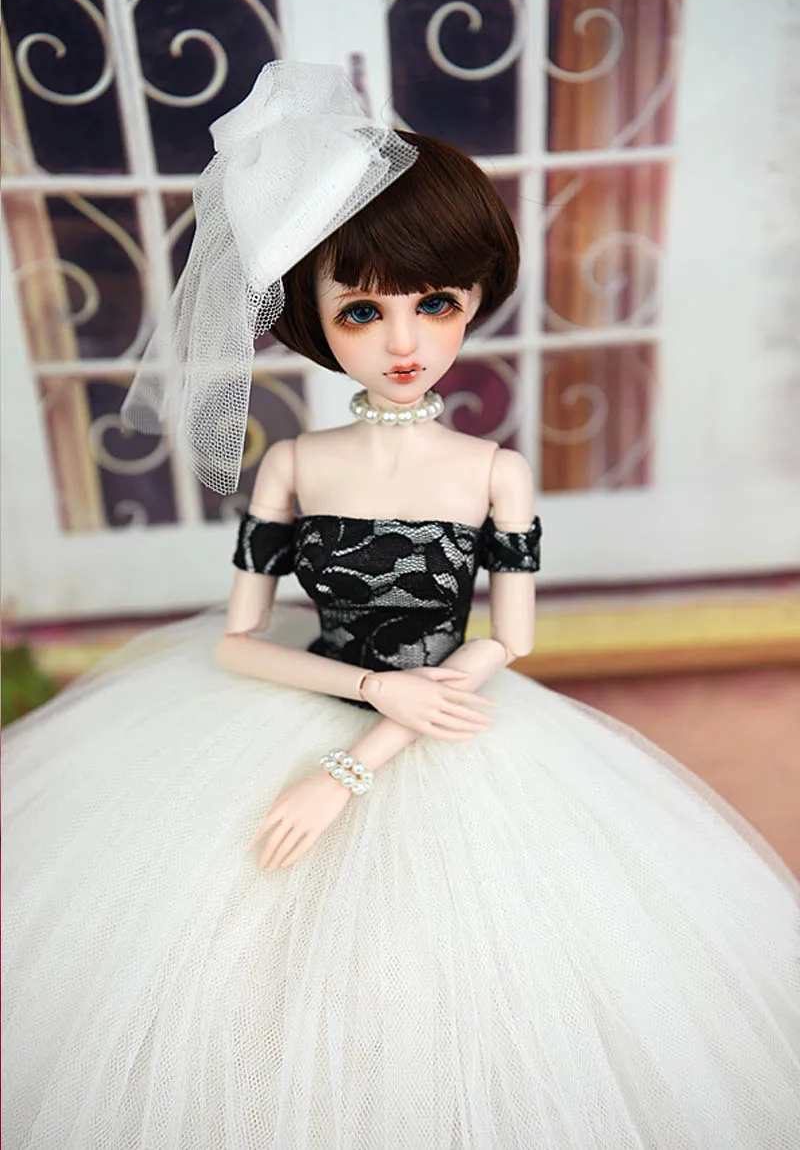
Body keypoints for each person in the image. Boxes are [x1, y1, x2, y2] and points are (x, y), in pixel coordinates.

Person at [3, 62, 799, 1150]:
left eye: (435, 302)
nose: (404, 343)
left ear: (471, 298)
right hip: (318, 691)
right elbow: (239, 642)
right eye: (362, 310)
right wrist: (375, 691)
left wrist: (358, 758)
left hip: (446, 717)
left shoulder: (494, 472)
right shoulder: (294, 464)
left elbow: (511, 636)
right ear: (312, 319)